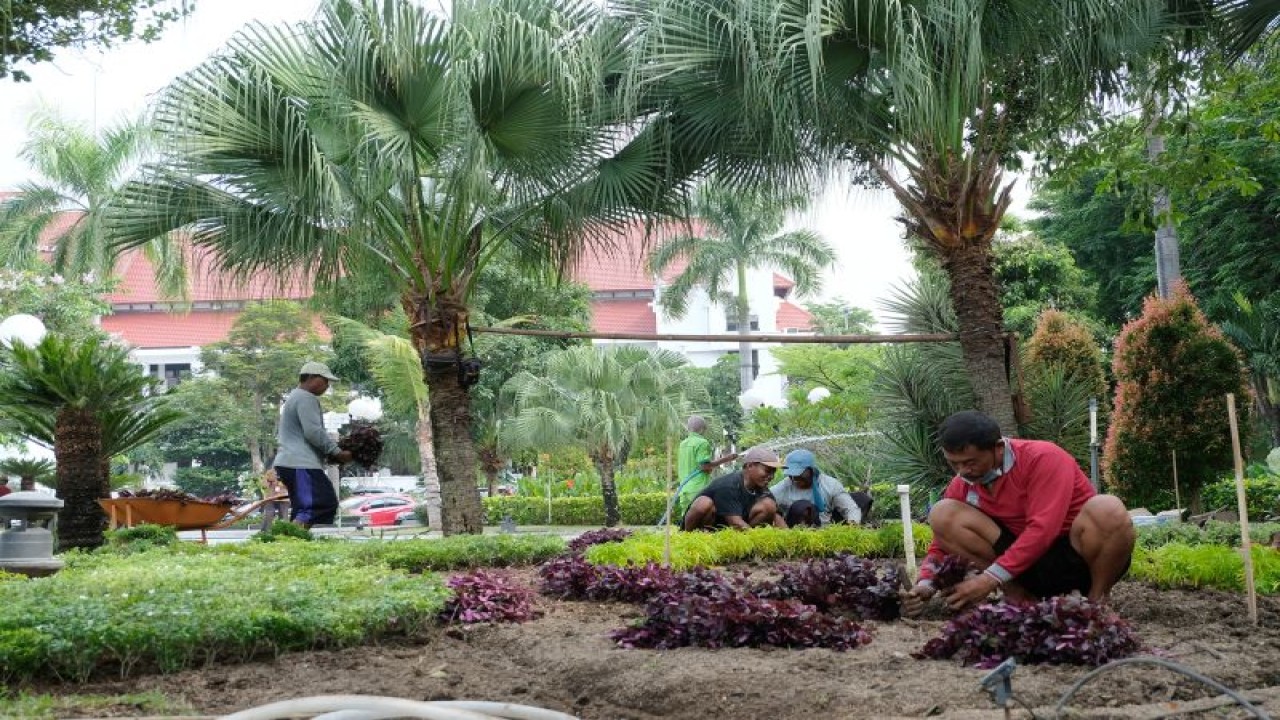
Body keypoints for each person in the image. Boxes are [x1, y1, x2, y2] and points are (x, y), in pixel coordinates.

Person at [900, 410, 1135, 618]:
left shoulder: (1043, 458)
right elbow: (942, 543)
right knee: (943, 513)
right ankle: (1021, 598)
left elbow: (1043, 530)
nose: (963, 471)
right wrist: (926, 582)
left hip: (1076, 561)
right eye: (955, 464)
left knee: (1108, 508)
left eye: (970, 462)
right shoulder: (963, 484)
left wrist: (988, 579)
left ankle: (1097, 601)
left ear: (998, 448)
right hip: (1024, 571)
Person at [272, 361, 352, 529]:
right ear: (311, 378)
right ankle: (287, 541)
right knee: (318, 504)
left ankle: (295, 544)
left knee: (304, 508)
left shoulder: (295, 397)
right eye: (325, 381)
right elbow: (313, 431)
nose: (327, 386)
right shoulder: (306, 398)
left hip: (292, 462)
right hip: (300, 463)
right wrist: (336, 452)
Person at [682, 446, 780, 531]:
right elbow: (735, 523)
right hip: (711, 526)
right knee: (703, 503)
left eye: (773, 472)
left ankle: (744, 544)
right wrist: (756, 540)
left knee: (769, 505)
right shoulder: (728, 485)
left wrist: (790, 538)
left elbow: (777, 517)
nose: (771, 476)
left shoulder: (761, 488)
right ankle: (690, 538)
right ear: (750, 465)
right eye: (767, 471)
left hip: (734, 531)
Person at [769, 448, 871, 527]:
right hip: (796, 528)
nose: (794, 478)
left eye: (799, 474)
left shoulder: (830, 485)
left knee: (861, 499)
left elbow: (850, 509)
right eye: (791, 475)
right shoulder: (784, 487)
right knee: (802, 506)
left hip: (824, 525)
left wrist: (851, 527)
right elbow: (766, 501)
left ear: (811, 470)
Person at [673, 416, 737, 519]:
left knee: (686, 522)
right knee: (705, 519)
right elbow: (705, 467)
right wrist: (726, 459)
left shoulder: (683, 444)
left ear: (688, 428)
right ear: (703, 429)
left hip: (684, 488)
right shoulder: (702, 443)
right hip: (698, 487)